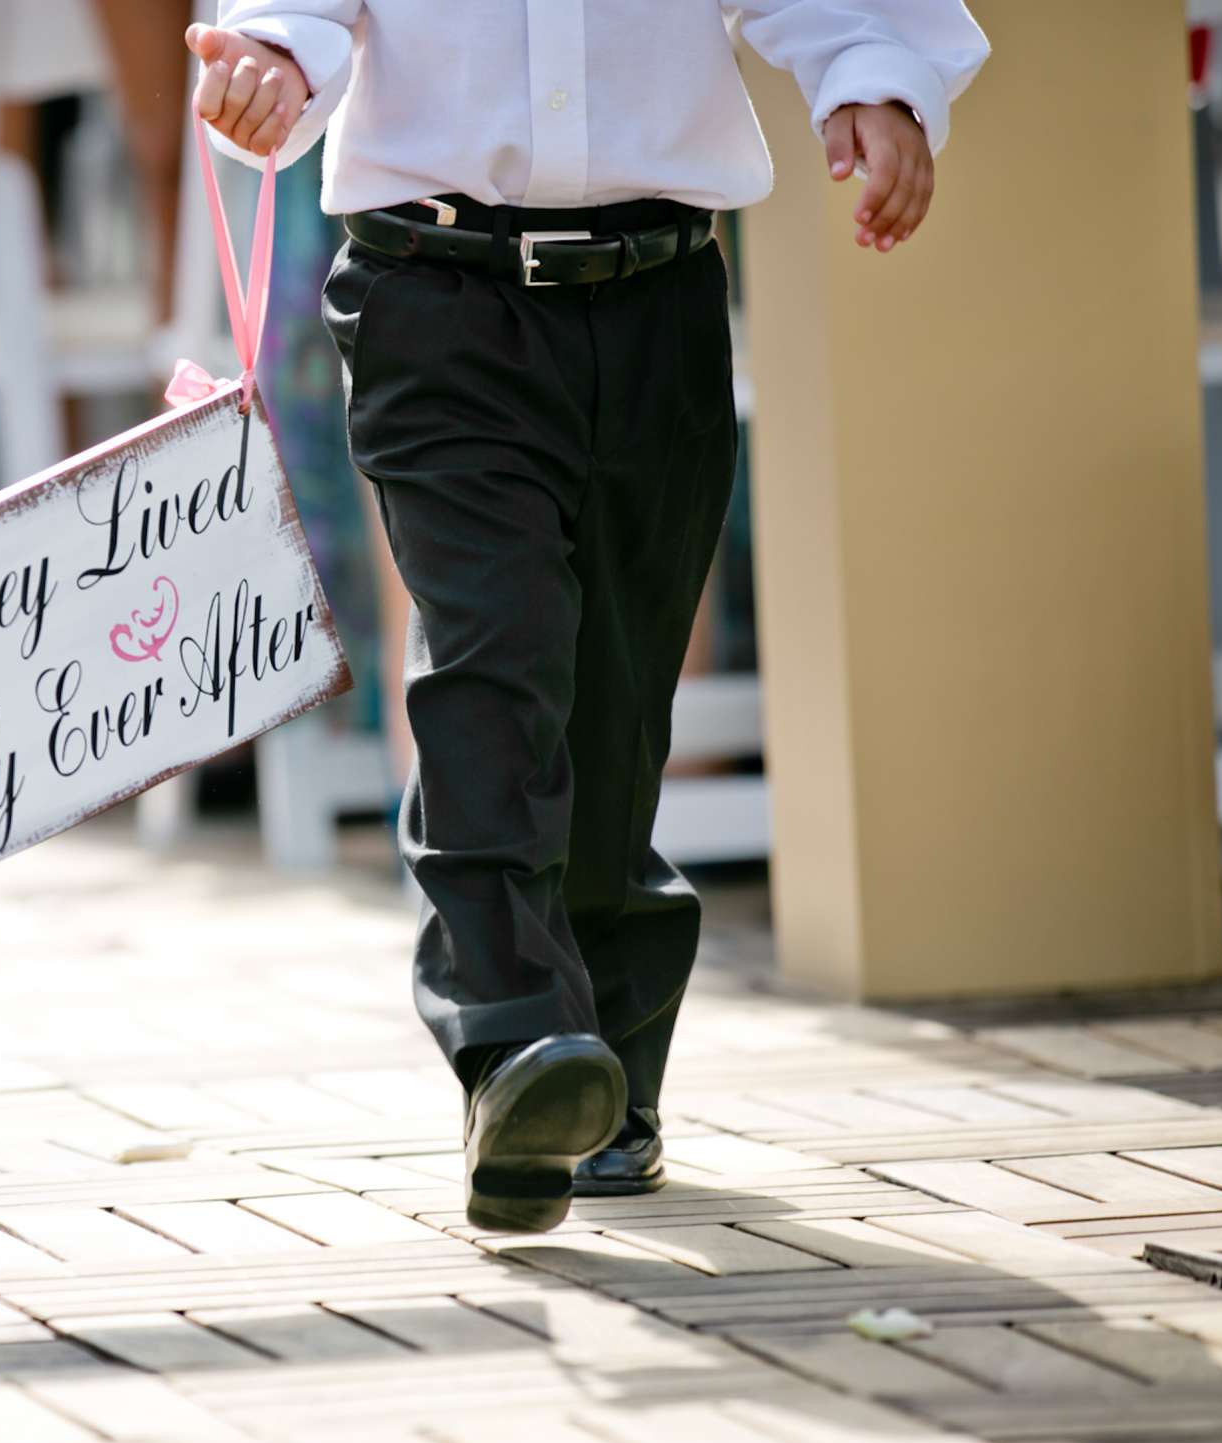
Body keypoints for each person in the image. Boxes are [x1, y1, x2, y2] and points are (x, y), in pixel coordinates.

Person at [192, 3, 987, 1232]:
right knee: (489, 669)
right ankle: (516, 1045)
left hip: (660, 300)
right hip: (431, 296)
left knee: (616, 705)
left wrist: (875, 80)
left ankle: (608, 1068)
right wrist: (271, 57)